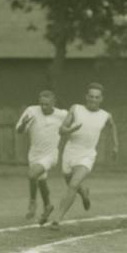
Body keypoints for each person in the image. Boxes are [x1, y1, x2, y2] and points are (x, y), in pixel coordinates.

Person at [45, 83, 118, 228]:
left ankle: (57, 219)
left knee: (73, 184)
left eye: (96, 97)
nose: (93, 99)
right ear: (86, 97)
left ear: (101, 99)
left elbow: (113, 125)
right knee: (70, 181)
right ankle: (84, 192)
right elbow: (61, 130)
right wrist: (71, 129)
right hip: (71, 151)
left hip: (87, 154)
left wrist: (116, 145)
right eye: (91, 96)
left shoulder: (105, 115)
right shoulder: (76, 109)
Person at [16, 90, 68, 221]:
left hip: (50, 155)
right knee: (41, 181)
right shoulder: (31, 111)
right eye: (42, 104)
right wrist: (23, 124)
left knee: (32, 174)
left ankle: (32, 203)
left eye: (47, 104)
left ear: (53, 102)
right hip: (34, 154)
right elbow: (19, 130)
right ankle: (48, 206)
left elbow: (75, 121)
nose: (43, 107)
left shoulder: (62, 115)